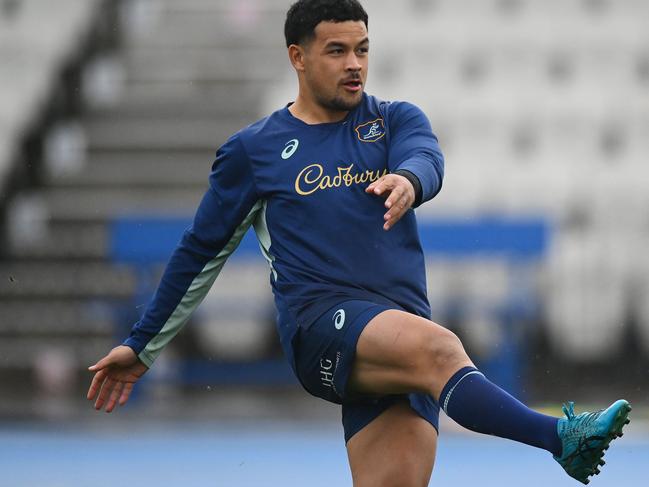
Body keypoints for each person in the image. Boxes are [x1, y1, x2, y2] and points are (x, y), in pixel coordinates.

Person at [87, 1, 631, 485]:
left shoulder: (394, 120)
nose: (355, 63)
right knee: (444, 348)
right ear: (297, 57)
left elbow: (428, 160)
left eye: (363, 49)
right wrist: (143, 344)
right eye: (338, 50)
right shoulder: (255, 150)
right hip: (321, 324)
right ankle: (563, 439)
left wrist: (410, 180)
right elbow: (199, 252)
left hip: (398, 330)